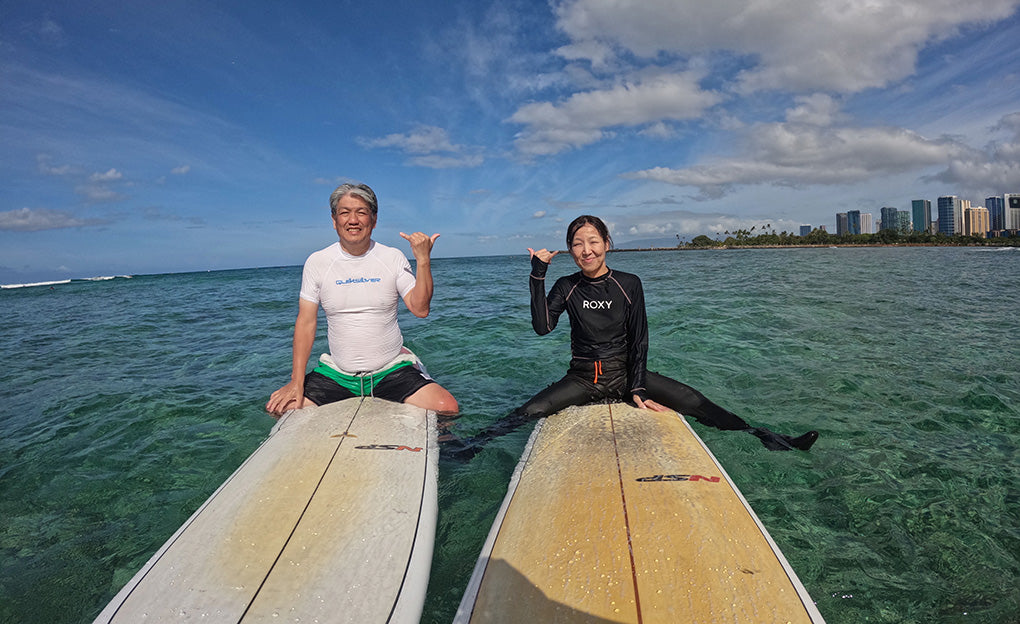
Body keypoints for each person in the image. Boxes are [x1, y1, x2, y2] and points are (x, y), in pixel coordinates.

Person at [447, 215, 815, 456]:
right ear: (570, 250)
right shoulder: (566, 286)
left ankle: (767, 436)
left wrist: (637, 387)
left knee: (695, 401)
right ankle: (470, 447)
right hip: (584, 378)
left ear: (607, 243)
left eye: (593, 241)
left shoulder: (628, 284)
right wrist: (537, 275)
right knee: (530, 411)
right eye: (577, 243)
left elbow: (640, 339)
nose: (586, 250)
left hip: (626, 375)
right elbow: (543, 327)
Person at [266, 182, 458, 417]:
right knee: (281, 409)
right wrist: (296, 382)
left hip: (390, 370)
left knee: (446, 407)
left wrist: (423, 260)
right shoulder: (317, 262)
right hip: (338, 375)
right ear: (334, 220)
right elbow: (306, 323)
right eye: (345, 212)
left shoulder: (392, 257)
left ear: (374, 219)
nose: (353, 220)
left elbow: (420, 309)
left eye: (361, 212)